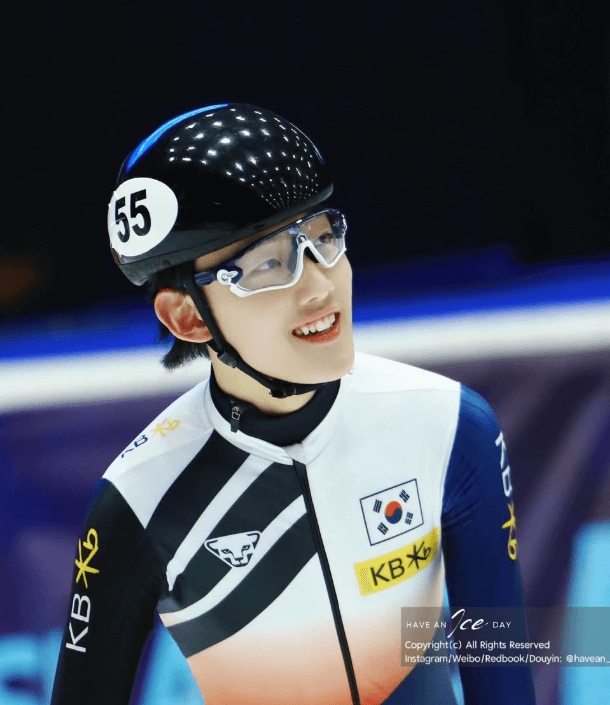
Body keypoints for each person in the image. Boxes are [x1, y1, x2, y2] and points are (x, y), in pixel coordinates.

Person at [51, 103, 536, 704]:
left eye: (323, 239)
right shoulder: (138, 498)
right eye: (267, 264)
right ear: (187, 317)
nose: (319, 285)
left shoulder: (449, 425)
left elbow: (505, 684)